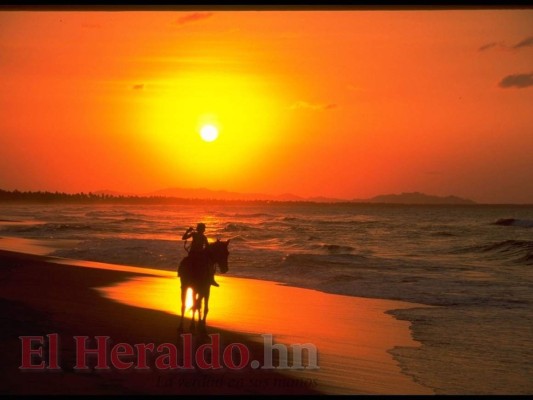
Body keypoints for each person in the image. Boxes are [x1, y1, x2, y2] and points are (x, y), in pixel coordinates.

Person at [182, 223, 219, 287]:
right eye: (203, 228)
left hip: (193, 253)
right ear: (201, 229)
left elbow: (184, 237)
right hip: (198, 254)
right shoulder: (202, 236)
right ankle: (211, 279)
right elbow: (207, 246)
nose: (204, 229)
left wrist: (188, 231)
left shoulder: (195, 234)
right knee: (209, 264)